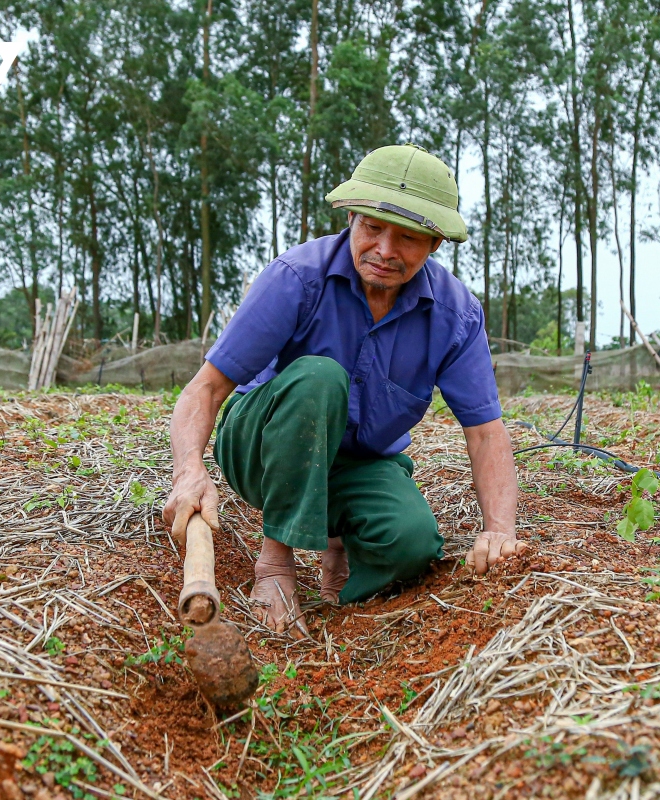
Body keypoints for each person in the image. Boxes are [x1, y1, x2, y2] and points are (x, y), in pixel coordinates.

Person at [162, 143, 524, 637]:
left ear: (435, 243)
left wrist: (500, 531)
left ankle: (341, 576)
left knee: (412, 542)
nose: (385, 250)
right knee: (319, 377)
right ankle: (276, 564)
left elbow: (485, 431)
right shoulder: (296, 278)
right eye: (373, 228)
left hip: (356, 462)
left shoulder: (455, 315)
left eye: (409, 238)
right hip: (262, 448)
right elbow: (204, 389)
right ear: (351, 216)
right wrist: (189, 472)